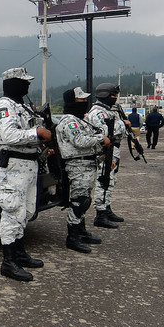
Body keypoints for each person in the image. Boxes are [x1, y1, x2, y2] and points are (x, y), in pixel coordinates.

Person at [0, 67, 51, 281]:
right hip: (13, 166)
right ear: (12, 83)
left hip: (29, 165)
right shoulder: (3, 106)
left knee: (26, 212)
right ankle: (8, 262)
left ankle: (19, 253)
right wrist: (37, 133)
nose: (28, 85)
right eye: (24, 82)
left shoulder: (22, 106)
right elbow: (9, 135)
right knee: (12, 212)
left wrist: (42, 145)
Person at [55, 87, 110, 254]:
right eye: (81, 100)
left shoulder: (80, 120)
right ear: (72, 101)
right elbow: (79, 141)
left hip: (87, 164)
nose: (85, 102)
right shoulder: (69, 121)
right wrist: (101, 138)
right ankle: (72, 237)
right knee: (79, 201)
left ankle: (81, 231)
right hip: (77, 165)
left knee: (85, 199)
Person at [86, 83, 127, 229]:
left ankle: (107, 207)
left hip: (113, 149)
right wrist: (124, 124)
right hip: (105, 150)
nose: (115, 98)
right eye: (113, 95)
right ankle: (100, 213)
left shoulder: (110, 110)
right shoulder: (98, 112)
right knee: (104, 180)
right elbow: (108, 130)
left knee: (111, 180)